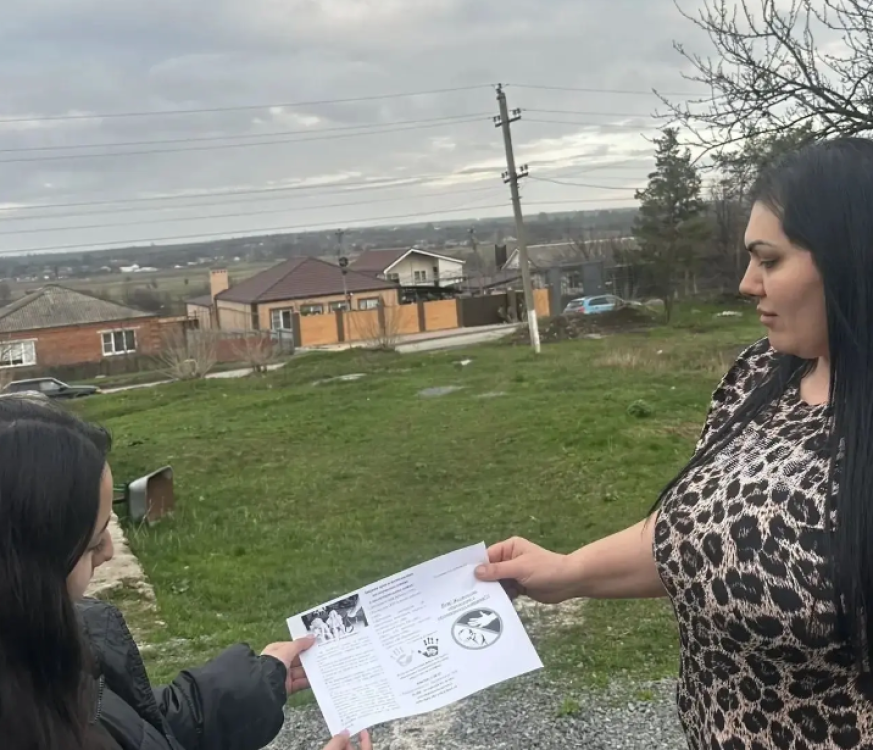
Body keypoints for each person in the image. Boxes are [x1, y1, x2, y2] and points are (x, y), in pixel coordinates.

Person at [476, 137, 873, 750]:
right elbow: (701, 532)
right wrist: (568, 570)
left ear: (854, 260)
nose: (747, 284)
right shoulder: (761, 374)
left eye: (769, 261)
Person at [0, 394, 371, 750]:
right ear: (30, 560)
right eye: (93, 542)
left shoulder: (39, 651)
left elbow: (135, 728)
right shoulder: (23, 723)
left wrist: (257, 684)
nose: (109, 551)